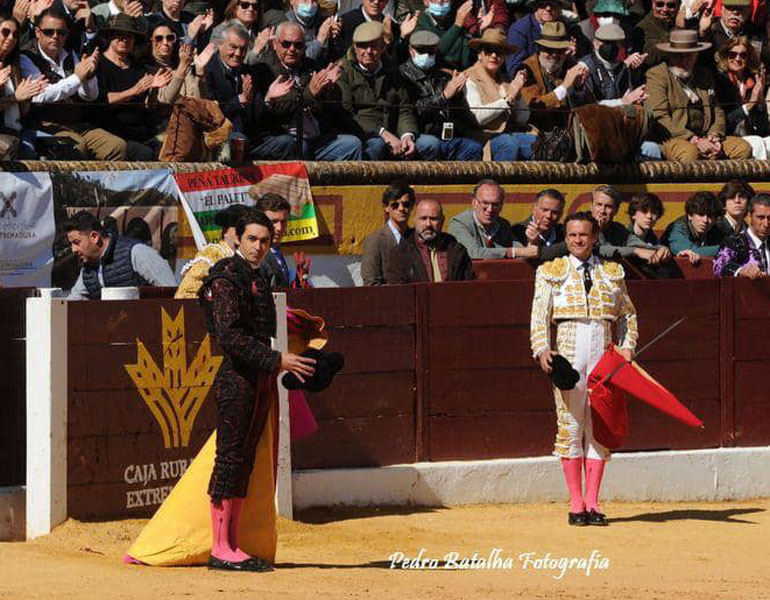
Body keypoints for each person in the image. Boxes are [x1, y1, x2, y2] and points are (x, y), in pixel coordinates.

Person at [198, 208, 315, 571]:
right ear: (236, 237)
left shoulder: (257, 276)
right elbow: (230, 337)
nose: (258, 247)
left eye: (265, 241)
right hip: (236, 379)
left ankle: (233, 542)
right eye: (252, 239)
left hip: (258, 378)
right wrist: (278, 360)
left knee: (244, 459)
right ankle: (220, 547)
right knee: (230, 459)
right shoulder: (226, 277)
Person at [530, 211, 638, 526]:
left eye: (584, 235)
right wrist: (541, 349)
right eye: (573, 235)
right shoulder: (550, 271)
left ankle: (593, 502)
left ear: (594, 237)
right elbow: (539, 315)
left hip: (603, 355)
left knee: (599, 428)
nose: (578, 240)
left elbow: (628, 315)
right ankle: (576, 503)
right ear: (566, 238)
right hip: (568, 351)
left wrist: (627, 347)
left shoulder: (612, 272)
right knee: (571, 427)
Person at [21, 7, 127, 160]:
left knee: (117, 146)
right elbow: (40, 95)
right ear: (38, 32)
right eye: (49, 32)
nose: (55, 37)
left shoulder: (71, 54)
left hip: (75, 123)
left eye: (61, 32)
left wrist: (88, 77)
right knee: (76, 147)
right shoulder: (26, 57)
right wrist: (77, 78)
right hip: (44, 124)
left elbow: (90, 96)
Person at [250, 21, 363, 160]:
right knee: (298, 146)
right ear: (275, 44)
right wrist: (310, 93)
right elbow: (278, 107)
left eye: (298, 45)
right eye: (286, 44)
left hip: (316, 137)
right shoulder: (264, 70)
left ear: (304, 46)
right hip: (286, 137)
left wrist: (329, 88)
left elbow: (331, 108)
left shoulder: (311, 67)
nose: (292, 49)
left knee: (352, 144)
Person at [644, 28, 752, 162]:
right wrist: (694, 139)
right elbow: (659, 116)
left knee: (742, 148)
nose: (684, 61)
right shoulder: (657, 75)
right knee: (690, 154)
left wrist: (715, 136)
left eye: (688, 56)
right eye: (678, 56)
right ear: (670, 55)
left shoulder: (704, 75)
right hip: (673, 138)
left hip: (706, 136)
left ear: (696, 55)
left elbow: (717, 111)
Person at [335, 21, 437, 160]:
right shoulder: (342, 71)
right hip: (363, 134)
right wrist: (382, 133)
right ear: (355, 47)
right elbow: (347, 113)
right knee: (377, 145)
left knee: (430, 144)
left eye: (374, 46)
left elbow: (405, 108)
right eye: (363, 46)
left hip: (394, 132)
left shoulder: (393, 69)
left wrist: (407, 135)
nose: (368, 51)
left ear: (383, 47)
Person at [96, 13, 172, 161]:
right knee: (145, 154)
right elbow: (102, 100)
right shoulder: (99, 65)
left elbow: (149, 107)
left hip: (142, 132)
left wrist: (154, 89)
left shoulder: (138, 67)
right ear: (110, 36)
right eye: (120, 35)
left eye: (129, 36)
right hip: (112, 133)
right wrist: (134, 90)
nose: (124, 40)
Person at [399, 30, 483, 160]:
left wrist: (457, 94)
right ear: (411, 50)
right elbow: (413, 109)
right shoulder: (402, 75)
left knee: (473, 148)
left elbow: (462, 113)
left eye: (431, 52)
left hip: (446, 135)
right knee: (432, 144)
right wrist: (443, 96)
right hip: (419, 134)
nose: (426, 55)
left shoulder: (442, 75)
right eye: (421, 51)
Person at [64, 210, 177, 300]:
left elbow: (173, 293)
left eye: (76, 242)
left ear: (94, 237)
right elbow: (74, 302)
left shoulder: (137, 252)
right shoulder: (87, 269)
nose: (73, 250)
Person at [463, 28, 535, 160]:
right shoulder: (469, 77)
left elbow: (522, 119)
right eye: (489, 50)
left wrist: (518, 95)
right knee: (508, 143)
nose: (494, 55)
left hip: (509, 132)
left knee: (536, 143)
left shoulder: (505, 80)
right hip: (481, 137)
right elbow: (478, 117)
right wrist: (508, 100)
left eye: (499, 52)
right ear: (480, 54)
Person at [519, 21, 594, 135]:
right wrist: (564, 87)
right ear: (540, 49)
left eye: (559, 50)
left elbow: (589, 106)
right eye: (549, 50)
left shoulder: (570, 65)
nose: (554, 55)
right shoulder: (527, 69)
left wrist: (579, 89)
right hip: (540, 132)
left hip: (569, 130)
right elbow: (534, 108)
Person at [386, 198, 475, 283]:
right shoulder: (400, 254)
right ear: (414, 220)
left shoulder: (457, 251)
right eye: (423, 218)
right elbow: (397, 289)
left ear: (442, 220)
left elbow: (468, 285)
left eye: (434, 219)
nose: (428, 224)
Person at [175, 203, 250, 299]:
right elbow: (185, 294)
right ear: (225, 230)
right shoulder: (213, 255)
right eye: (239, 228)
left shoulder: (251, 256)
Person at [449, 178, 538, 259]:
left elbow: (522, 251)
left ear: (501, 206)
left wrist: (531, 242)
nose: (490, 210)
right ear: (474, 203)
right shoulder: (459, 224)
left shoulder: (503, 225)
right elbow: (473, 253)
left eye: (495, 204)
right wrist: (511, 252)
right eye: (485, 203)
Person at [0, 12, 48, 159]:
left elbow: (22, 113)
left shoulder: (15, 66)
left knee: (60, 147)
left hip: (17, 130)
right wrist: (14, 98)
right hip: (4, 137)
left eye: (15, 35)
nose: (11, 38)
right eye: (5, 32)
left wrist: (26, 97)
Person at [714, 36, 770, 160]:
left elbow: (764, 129)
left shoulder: (752, 81)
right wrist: (749, 105)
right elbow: (724, 122)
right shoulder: (720, 81)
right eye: (732, 55)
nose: (737, 59)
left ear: (748, 58)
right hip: (728, 136)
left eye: (743, 55)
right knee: (757, 143)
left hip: (750, 133)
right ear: (726, 56)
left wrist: (760, 102)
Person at [506, 0, 588, 77]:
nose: (548, 8)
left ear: (559, 7)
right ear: (535, 6)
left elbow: (585, 59)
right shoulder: (520, 30)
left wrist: (571, 57)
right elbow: (514, 70)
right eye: (543, 4)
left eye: (553, 3)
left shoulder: (568, 28)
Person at [361, 180, 415, 286]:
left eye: (406, 204)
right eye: (395, 205)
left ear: (412, 206)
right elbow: (371, 284)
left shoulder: (416, 237)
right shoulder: (374, 241)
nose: (401, 209)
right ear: (386, 207)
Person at [253, 193, 306, 288]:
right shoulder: (256, 254)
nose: (279, 228)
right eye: (273, 222)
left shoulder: (275, 250)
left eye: (283, 222)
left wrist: (297, 282)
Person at [714, 192, 770, 278]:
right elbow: (719, 267)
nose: (766, 224)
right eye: (760, 218)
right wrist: (742, 271)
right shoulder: (735, 242)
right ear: (749, 217)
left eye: (769, 218)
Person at [661, 190, 726, 262]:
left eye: (710, 216)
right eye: (701, 214)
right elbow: (691, 251)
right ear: (690, 215)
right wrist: (726, 249)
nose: (705, 220)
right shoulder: (677, 228)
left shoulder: (715, 229)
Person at [413, 0, 475, 71]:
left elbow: (466, 58)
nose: (439, 2)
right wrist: (457, 25)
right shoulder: (419, 24)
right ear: (425, 1)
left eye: (445, 0)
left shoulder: (457, 17)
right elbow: (435, 55)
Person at [511, 187, 566, 260]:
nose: (548, 216)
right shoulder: (516, 232)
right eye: (544, 210)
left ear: (561, 214)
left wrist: (539, 251)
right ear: (534, 208)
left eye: (555, 212)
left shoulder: (565, 234)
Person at [631, 0, 680, 70]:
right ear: (653, 4)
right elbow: (649, 58)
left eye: (671, 5)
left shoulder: (683, 21)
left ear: (678, 6)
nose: (665, 9)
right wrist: (679, 30)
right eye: (660, 4)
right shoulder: (643, 28)